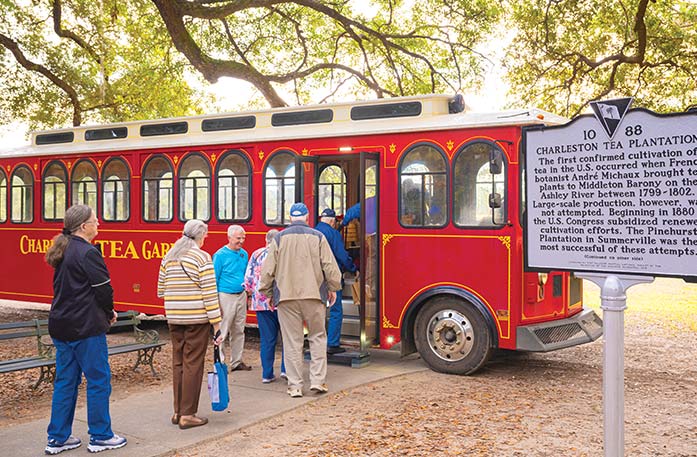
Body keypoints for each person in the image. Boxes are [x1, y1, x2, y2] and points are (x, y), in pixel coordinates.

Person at [44, 204, 127, 454]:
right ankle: (101, 435)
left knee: (65, 382)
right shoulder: (88, 253)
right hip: (86, 327)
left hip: (61, 325)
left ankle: (57, 437)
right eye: (94, 220)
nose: (98, 222)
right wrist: (110, 312)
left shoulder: (64, 249)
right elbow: (103, 290)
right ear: (83, 226)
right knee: (98, 380)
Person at [259, 202, 342, 398]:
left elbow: (267, 271)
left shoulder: (278, 239)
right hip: (314, 296)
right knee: (317, 337)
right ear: (307, 216)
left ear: (290, 218)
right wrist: (333, 287)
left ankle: (295, 385)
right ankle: (318, 381)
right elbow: (330, 267)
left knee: (292, 342)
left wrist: (268, 293)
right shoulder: (318, 236)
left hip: (286, 298)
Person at [157, 219, 223, 430]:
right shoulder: (202, 258)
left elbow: (160, 290)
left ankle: (177, 411)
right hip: (196, 319)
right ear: (200, 236)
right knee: (193, 364)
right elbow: (209, 294)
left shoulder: (169, 256)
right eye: (205, 236)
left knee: (178, 362)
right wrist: (217, 324)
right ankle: (188, 414)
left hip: (174, 318)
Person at [243, 229, 286, 383]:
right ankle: (285, 370)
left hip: (261, 303)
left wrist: (249, 295)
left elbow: (248, 279)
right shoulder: (283, 254)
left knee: (267, 340)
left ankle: (267, 374)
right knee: (288, 338)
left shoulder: (256, 254)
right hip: (282, 302)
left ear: (266, 240)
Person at [315, 208, 357, 354]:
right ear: (332, 221)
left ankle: (317, 342)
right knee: (336, 310)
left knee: (317, 310)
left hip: (315, 278)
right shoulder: (333, 234)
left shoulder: (313, 231)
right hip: (331, 278)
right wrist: (352, 268)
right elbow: (342, 255)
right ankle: (332, 344)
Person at [212, 225, 251, 371]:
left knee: (239, 329)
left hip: (240, 294)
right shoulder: (220, 255)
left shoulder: (244, 254)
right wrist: (216, 301)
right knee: (222, 330)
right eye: (238, 238)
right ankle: (220, 362)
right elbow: (214, 278)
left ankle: (237, 361)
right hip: (225, 296)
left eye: (243, 238)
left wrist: (247, 294)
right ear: (229, 238)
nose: (241, 241)